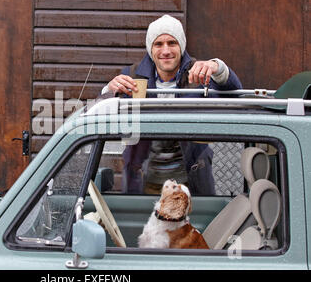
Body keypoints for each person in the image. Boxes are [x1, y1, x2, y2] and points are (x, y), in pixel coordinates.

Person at [101, 14, 243, 195]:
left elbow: (234, 92)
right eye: (158, 44)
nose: (165, 50)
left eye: (172, 43)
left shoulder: (199, 73)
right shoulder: (133, 74)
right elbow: (104, 111)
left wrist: (218, 68)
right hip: (145, 182)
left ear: (181, 46)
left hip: (191, 182)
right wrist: (108, 90)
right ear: (150, 49)